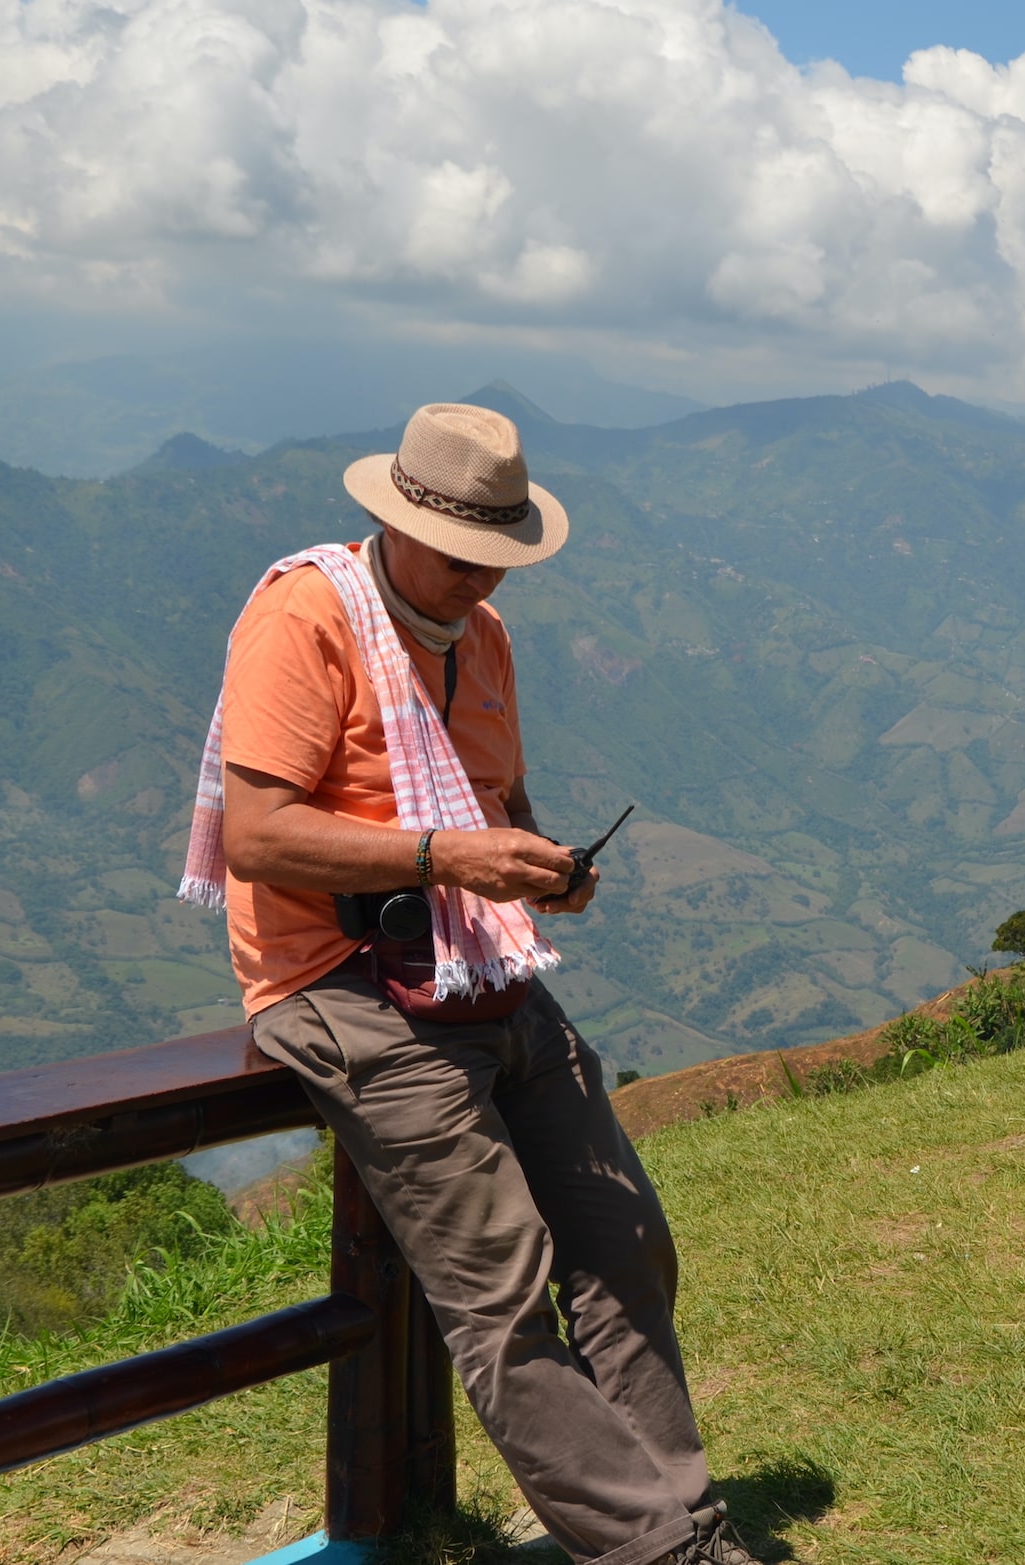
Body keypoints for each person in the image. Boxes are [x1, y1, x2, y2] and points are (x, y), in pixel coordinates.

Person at [178, 403, 750, 1563]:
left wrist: (542, 869)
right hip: (340, 981)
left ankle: (684, 1512)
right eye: (457, 555)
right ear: (391, 524)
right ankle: (663, 1552)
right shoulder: (307, 614)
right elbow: (261, 837)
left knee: (626, 1241)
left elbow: (499, 804)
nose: (478, 579)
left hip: (477, 960)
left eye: (496, 557)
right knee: (503, 1289)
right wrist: (451, 857)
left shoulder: (479, 635)